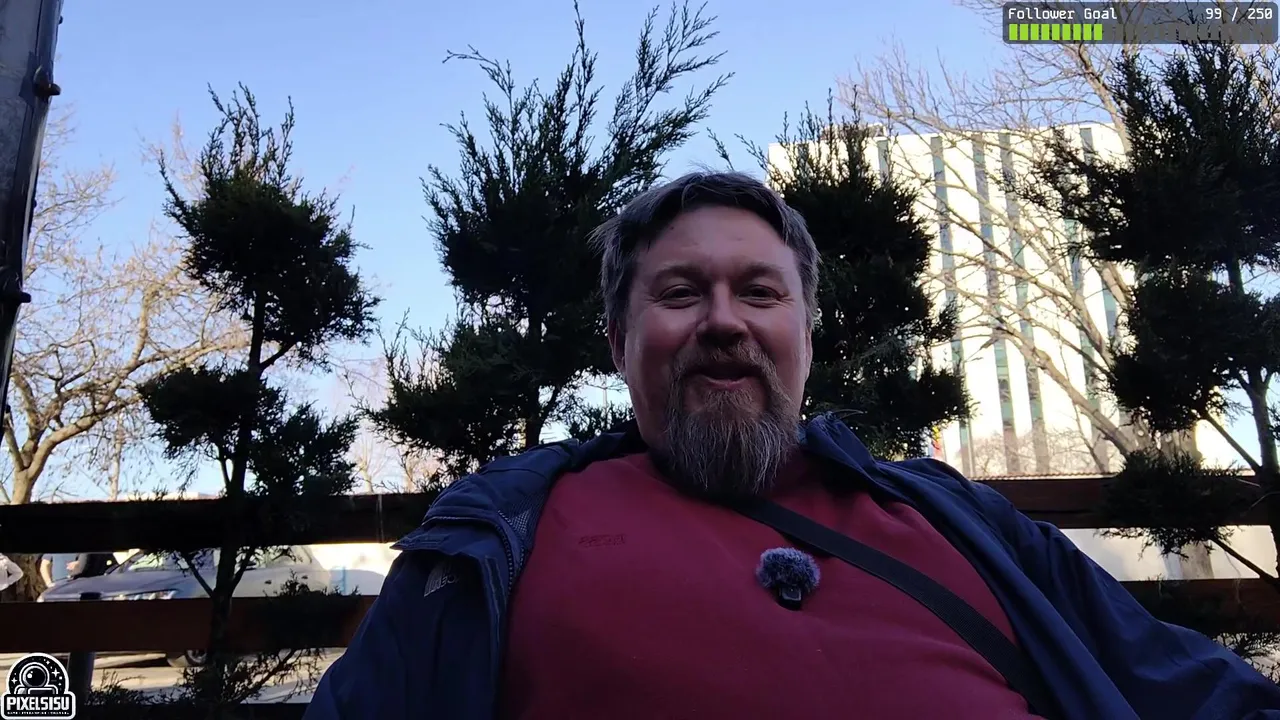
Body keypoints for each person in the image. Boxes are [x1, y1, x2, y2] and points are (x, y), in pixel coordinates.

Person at [307, 172, 1280, 719]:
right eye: (680, 293)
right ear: (617, 343)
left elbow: (1191, 691)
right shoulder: (497, 541)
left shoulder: (958, 520)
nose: (723, 320)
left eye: (759, 292)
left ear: (805, 334)